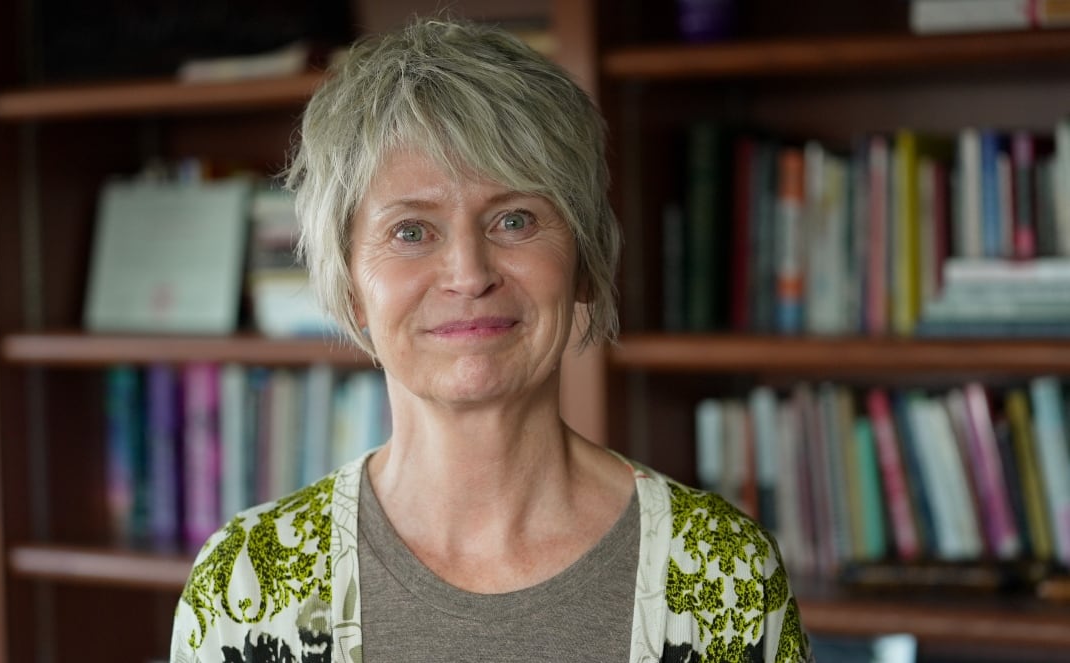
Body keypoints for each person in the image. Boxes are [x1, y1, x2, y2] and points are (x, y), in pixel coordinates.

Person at [170, 17, 813, 663]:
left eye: (515, 219)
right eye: (412, 231)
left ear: (585, 261)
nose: (470, 275)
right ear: (351, 285)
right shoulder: (244, 583)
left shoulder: (724, 575)